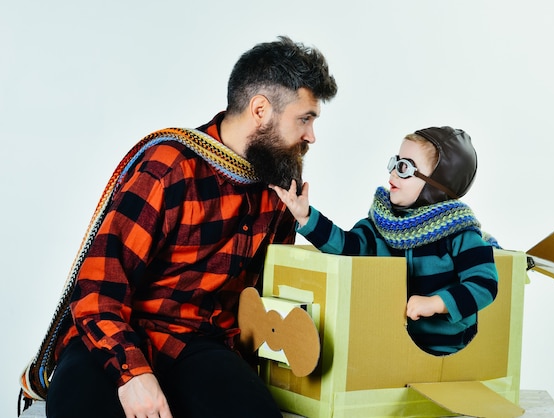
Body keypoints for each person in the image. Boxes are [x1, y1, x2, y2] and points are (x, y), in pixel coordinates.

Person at [43, 36, 338, 418]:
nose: (311, 136)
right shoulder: (169, 167)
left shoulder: (279, 183)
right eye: (305, 119)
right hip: (123, 329)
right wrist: (133, 375)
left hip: (199, 342)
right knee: (79, 408)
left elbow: (265, 294)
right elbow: (99, 290)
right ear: (261, 110)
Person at [271, 126, 498, 356]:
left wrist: (438, 303)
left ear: (436, 183)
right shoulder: (381, 224)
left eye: (404, 168)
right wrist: (305, 216)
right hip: (391, 344)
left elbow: (484, 284)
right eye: (395, 163)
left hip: (446, 347)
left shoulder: (459, 233)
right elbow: (348, 247)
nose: (392, 174)